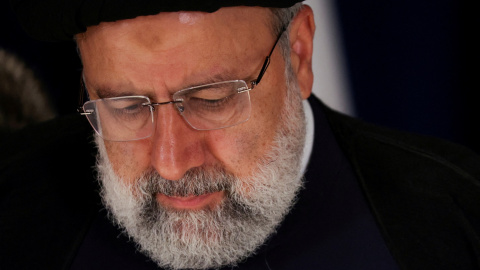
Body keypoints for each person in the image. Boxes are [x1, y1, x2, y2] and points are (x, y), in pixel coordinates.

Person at [1, 1, 479, 269]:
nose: (171, 161)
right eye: (126, 108)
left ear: (299, 55)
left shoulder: (457, 222)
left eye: (211, 100)